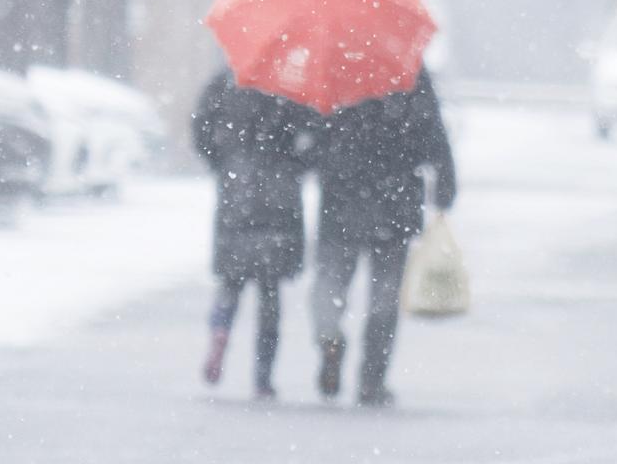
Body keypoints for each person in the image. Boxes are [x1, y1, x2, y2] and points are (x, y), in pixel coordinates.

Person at [312, 65, 457, 408]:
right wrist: (445, 183)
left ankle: (329, 335)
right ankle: (372, 381)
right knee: (385, 297)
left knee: (331, 284)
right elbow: (432, 135)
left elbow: (313, 134)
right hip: (395, 202)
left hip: (341, 201)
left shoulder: (334, 66)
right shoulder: (409, 71)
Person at [192, 68, 311, 400]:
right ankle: (263, 377)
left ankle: (220, 329)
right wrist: (296, 165)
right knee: (270, 293)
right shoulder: (292, 84)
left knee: (231, 281)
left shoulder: (226, 80)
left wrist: (222, 161)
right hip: (280, 194)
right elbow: (314, 135)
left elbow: (200, 125)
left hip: (238, 187)